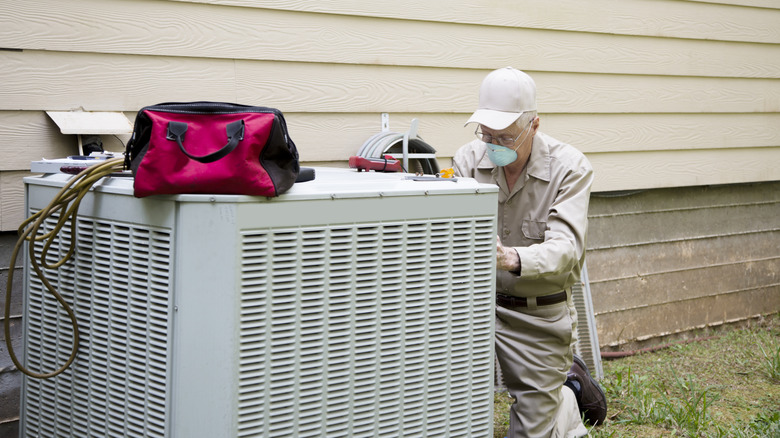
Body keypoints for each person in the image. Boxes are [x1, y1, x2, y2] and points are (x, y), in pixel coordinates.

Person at [452, 67, 607, 438]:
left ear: (534, 125)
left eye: (505, 135)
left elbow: (566, 248)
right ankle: (559, 395)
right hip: (478, 306)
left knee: (531, 431)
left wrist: (511, 258)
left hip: (537, 315)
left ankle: (566, 394)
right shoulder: (468, 159)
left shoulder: (570, 167)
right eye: (487, 134)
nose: (492, 143)